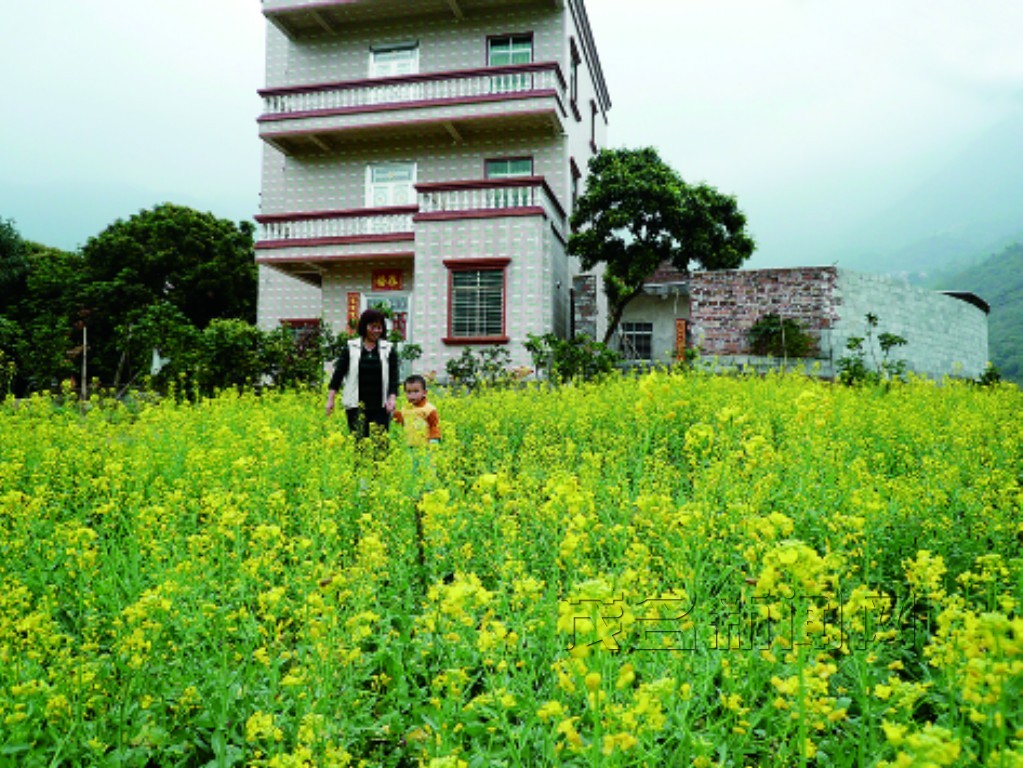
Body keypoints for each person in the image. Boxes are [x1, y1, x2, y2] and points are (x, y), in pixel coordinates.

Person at [325, 308, 399, 439]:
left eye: (379, 327)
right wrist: (331, 399)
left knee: (380, 444)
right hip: (355, 405)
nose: (376, 331)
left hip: (381, 406)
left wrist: (392, 399)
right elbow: (338, 375)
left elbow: (394, 377)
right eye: (372, 327)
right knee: (359, 443)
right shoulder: (351, 347)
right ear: (364, 326)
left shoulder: (388, 349)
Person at [393, 374, 441, 447]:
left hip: (425, 447)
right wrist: (393, 413)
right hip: (408, 446)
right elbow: (401, 422)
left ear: (424, 393)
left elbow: (434, 426)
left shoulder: (429, 409)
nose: (412, 395)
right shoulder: (405, 408)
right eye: (409, 392)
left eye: (416, 391)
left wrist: (434, 440)